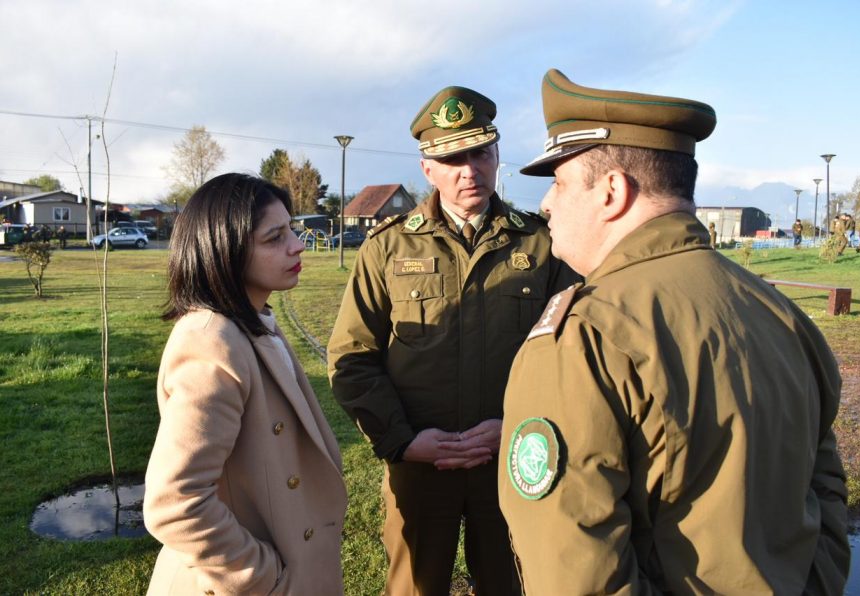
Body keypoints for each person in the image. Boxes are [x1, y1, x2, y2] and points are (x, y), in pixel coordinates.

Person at [497, 69, 850, 594]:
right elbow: (824, 487)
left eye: (560, 181)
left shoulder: (585, 336)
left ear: (612, 191)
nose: (546, 203)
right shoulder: (779, 311)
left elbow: (573, 570)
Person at [327, 86, 578, 595]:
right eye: (452, 157)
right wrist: (402, 441)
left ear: (497, 155)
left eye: (480, 152)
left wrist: (517, 429)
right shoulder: (388, 247)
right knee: (415, 587)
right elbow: (352, 357)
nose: (469, 170)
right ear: (428, 169)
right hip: (421, 465)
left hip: (512, 463)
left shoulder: (541, 243)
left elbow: (572, 354)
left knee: (513, 583)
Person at [143, 173, 347, 595]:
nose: (297, 245)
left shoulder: (252, 321)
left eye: (291, 229)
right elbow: (175, 504)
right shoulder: (211, 340)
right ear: (225, 252)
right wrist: (262, 577)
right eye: (274, 238)